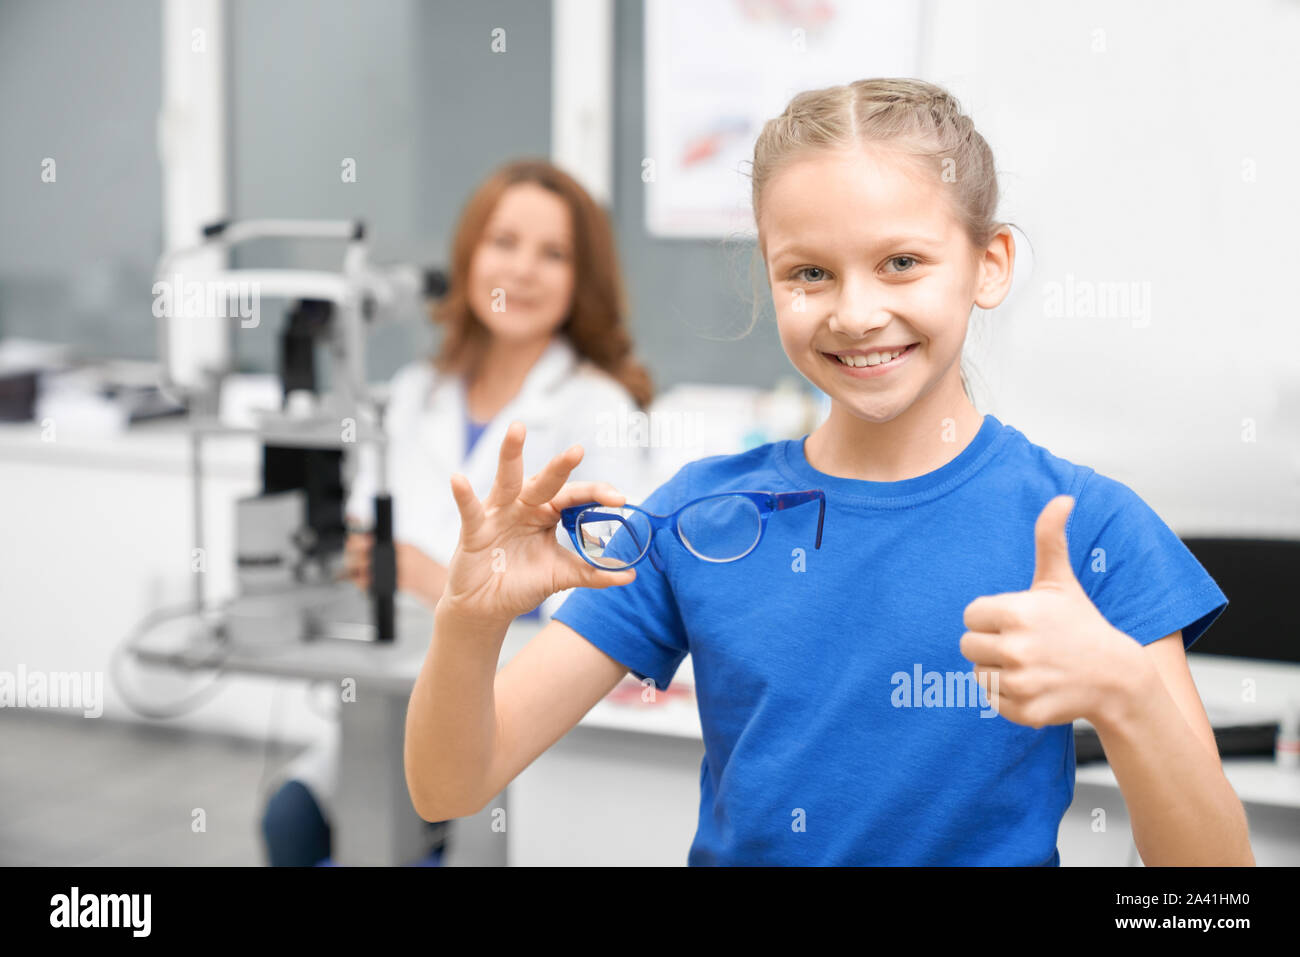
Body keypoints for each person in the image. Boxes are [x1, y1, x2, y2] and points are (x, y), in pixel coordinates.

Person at [404, 79, 1254, 866]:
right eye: (810, 272)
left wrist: (1126, 694)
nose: (855, 312)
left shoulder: (1087, 526)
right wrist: (469, 622)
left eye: (901, 263)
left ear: (989, 264)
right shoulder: (699, 518)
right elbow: (450, 785)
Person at [261, 158, 654, 866]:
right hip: (386, 698)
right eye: (504, 242)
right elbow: (366, 536)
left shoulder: (598, 410)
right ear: (469, 255)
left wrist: (437, 582)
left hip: (511, 715)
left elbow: (613, 602)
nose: (524, 270)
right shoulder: (417, 390)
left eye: (554, 253)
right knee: (290, 823)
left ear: (581, 280)